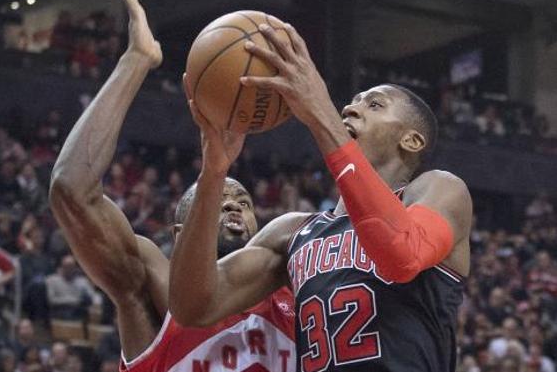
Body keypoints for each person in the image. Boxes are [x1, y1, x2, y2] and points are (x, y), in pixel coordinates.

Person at [170, 22, 472, 372]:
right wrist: (213, 173)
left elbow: (401, 255)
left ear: (411, 140)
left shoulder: (441, 190)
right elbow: (192, 307)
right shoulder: (292, 233)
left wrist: (319, 111)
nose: (349, 109)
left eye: (374, 105)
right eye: (351, 103)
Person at [48, 0, 294, 372]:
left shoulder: (294, 289)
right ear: (180, 234)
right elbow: (71, 190)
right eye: (217, 201)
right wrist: (135, 60)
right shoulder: (154, 286)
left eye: (244, 202)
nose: (233, 205)